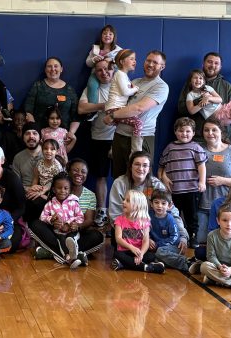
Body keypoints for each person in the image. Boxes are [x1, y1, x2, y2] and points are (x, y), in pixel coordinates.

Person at [108, 151, 188, 253]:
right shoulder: (119, 183)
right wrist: (141, 237)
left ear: (149, 168)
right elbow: (115, 215)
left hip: (152, 231)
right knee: (119, 247)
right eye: (137, 164)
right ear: (130, 166)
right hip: (126, 231)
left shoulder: (156, 185)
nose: (141, 168)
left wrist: (183, 236)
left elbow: (172, 211)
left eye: (145, 165)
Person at [108, 50, 169, 173]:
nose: (150, 64)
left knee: (139, 182)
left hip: (141, 138)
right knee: (118, 179)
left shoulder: (161, 86)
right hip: (119, 136)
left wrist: (112, 115)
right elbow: (118, 102)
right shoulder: (135, 82)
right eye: (148, 61)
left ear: (162, 67)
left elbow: (139, 108)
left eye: (155, 62)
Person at [197, 119, 231, 246]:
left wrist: (223, 181)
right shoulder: (197, 148)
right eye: (206, 130)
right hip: (202, 205)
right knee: (201, 240)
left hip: (226, 207)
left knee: (224, 242)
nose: (210, 133)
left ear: (221, 132)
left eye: (214, 130)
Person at [158, 117, 207, 245]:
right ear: (175, 132)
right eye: (181, 131)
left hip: (191, 189)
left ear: (193, 133)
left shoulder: (195, 147)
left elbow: (201, 165)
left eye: (187, 131)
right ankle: (176, 235)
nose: (184, 134)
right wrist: (163, 177)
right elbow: (161, 165)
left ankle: (193, 236)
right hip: (173, 190)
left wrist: (202, 182)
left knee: (192, 215)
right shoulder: (170, 147)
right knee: (174, 215)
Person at [76, 59, 116, 215]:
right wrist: (103, 106)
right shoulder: (91, 89)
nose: (104, 72)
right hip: (99, 138)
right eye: (99, 70)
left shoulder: (122, 86)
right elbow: (81, 108)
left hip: (121, 136)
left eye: (107, 69)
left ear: (113, 70)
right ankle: (102, 212)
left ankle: (122, 214)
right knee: (101, 176)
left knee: (124, 177)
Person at [112, 190, 164, 273]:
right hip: (125, 251)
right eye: (124, 199)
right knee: (117, 254)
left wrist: (141, 254)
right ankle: (146, 267)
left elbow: (146, 241)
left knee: (151, 256)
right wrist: (131, 247)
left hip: (139, 252)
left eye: (128, 201)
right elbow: (118, 239)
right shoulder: (119, 220)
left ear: (137, 206)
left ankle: (124, 264)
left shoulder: (145, 221)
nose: (123, 202)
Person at [176, 52, 231, 118]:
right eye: (209, 62)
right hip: (197, 127)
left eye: (216, 63)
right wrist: (202, 101)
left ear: (220, 67)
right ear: (203, 64)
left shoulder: (228, 87)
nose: (212, 66)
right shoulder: (190, 84)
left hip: (220, 127)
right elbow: (181, 109)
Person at [23, 57, 78, 128]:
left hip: (64, 135)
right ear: (45, 70)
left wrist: (71, 133)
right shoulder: (37, 86)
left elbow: (76, 115)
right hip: (40, 134)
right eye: (49, 66)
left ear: (61, 69)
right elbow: (28, 110)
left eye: (56, 66)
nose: (53, 69)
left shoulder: (69, 89)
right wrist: (35, 130)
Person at [149, 190, 189, 271]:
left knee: (159, 252)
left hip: (173, 246)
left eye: (163, 203)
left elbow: (175, 237)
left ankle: (187, 263)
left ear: (169, 205)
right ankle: (166, 262)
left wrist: (158, 245)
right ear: (151, 204)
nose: (159, 206)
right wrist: (148, 239)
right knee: (151, 256)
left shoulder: (170, 219)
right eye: (156, 202)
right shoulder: (149, 216)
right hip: (157, 248)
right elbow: (145, 230)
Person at [10, 123, 42, 189]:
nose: (31, 136)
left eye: (35, 133)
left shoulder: (49, 154)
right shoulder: (18, 157)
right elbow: (16, 183)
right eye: (27, 134)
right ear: (23, 138)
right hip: (24, 194)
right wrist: (29, 190)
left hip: (45, 194)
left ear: (40, 137)